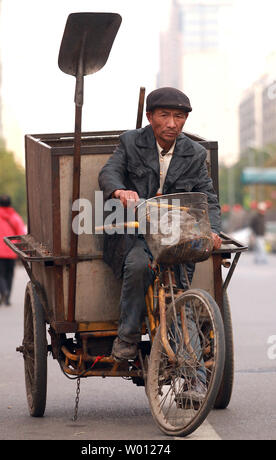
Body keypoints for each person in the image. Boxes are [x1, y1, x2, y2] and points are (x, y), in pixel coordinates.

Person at [98, 87, 222, 394]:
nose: (171, 123)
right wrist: (119, 191)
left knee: (181, 297)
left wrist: (214, 230)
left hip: (175, 235)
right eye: (164, 115)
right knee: (139, 266)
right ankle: (126, 337)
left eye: (178, 116)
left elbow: (208, 198)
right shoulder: (131, 141)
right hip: (134, 232)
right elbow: (109, 172)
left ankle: (195, 380)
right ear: (150, 117)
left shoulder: (194, 153)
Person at [0, 195, 25, 306]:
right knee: (9, 274)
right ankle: (7, 298)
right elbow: (21, 233)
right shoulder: (15, 217)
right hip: (12, 251)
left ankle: (3, 291)